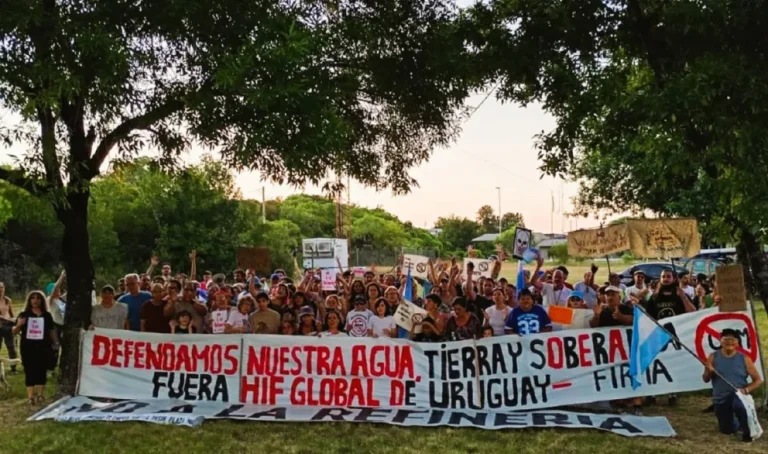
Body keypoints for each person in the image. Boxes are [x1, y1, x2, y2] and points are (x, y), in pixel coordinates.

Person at [703, 328, 763, 443]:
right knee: (727, 430)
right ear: (720, 341)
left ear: (737, 342)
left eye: (732, 339)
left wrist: (746, 390)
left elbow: (758, 380)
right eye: (725, 339)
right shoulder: (713, 356)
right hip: (720, 398)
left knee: (739, 404)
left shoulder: (744, 358)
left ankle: (748, 433)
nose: (729, 342)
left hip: (738, 395)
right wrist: (708, 370)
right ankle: (737, 422)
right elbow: (706, 379)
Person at [13, 291, 58, 404]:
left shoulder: (47, 315)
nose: (35, 301)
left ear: (41, 301)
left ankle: (40, 395)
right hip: (28, 346)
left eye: (38, 298)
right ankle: (30, 397)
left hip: (43, 346)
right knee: (29, 370)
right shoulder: (24, 314)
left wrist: (55, 343)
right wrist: (19, 325)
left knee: (42, 369)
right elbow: (14, 331)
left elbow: (51, 330)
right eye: (32, 298)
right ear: (29, 301)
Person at [0, 282, 18, 373]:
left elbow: (12, 314)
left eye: (2, 287)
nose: (0, 289)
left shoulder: (8, 300)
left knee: (11, 347)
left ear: (4, 288)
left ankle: (13, 368)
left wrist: (14, 322)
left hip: (7, 325)